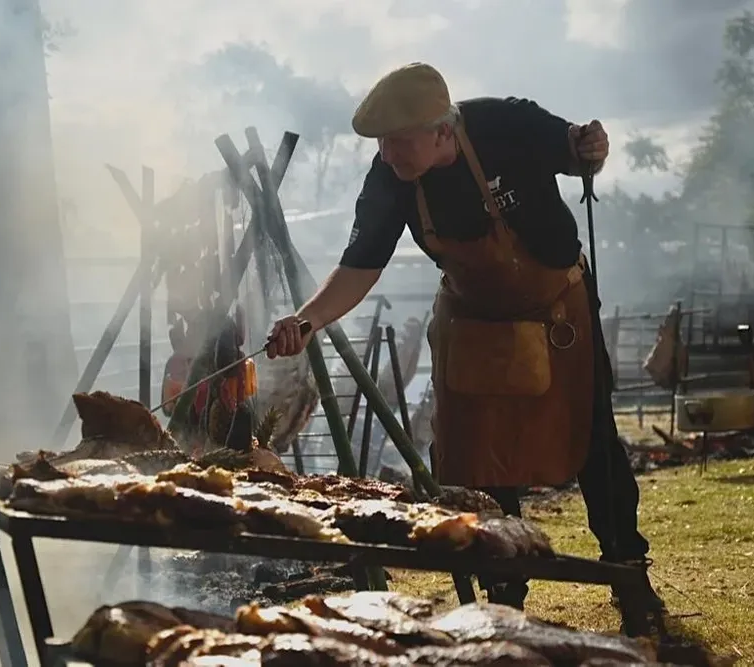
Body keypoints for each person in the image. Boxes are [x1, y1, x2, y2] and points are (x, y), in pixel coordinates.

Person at [266, 62, 662, 613]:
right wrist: (305, 321)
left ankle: (625, 567)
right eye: (382, 144)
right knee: (476, 454)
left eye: (399, 142)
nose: (388, 155)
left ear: (443, 132)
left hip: (557, 312)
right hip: (473, 323)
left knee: (590, 433)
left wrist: (590, 147)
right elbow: (358, 268)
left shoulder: (507, 124)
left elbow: (575, 152)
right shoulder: (390, 180)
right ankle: (502, 584)